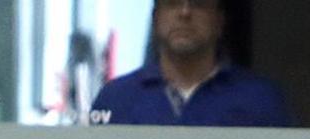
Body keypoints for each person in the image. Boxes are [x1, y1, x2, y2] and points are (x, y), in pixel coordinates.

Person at [88, 0, 289, 127]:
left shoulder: (260, 99)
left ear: (220, 20)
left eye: (199, 4)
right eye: (172, 3)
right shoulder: (115, 97)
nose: (184, 13)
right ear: (156, 18)